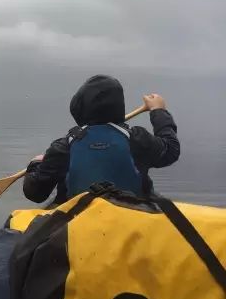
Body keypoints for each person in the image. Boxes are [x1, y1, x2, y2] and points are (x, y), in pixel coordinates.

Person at [23, 75, 180, 204]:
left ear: (79, 108)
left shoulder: (63, 148)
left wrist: (35, 164)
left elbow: (36, 194)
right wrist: (158, 111)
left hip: (76, 228)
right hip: (131, 226)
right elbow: (171, 150)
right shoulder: (137, 139)